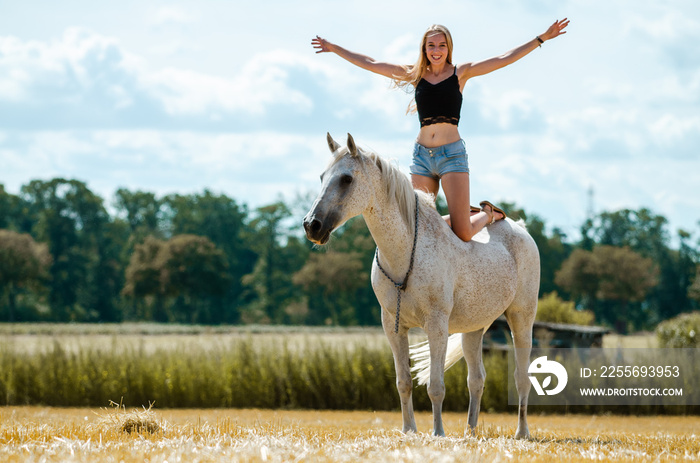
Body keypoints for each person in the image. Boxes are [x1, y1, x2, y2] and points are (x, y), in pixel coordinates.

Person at [311, 19, 569, 242]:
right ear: (424, 49)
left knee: (464, 234)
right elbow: (370, 62)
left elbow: (503, 59)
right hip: (421, 158)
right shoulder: (414, 74)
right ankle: (460, 214)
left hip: (451, 156)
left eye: (441, 45)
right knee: (415, 229)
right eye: (431, 45)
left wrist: (542, 38)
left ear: (449, 48)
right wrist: (334, 48)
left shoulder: (461, 73)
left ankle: (487, 214)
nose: (436, 50)